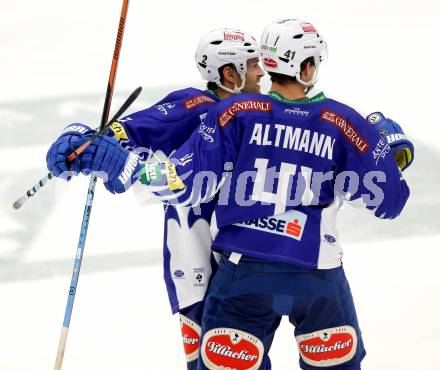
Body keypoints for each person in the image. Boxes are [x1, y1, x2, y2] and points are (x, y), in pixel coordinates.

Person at [136, 19, 413, 369]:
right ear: (308, 67)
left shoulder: (234, 113)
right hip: (317, 277)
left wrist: (128, 165)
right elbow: (390, 202)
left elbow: (180, 181)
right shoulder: (344, 122)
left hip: (243, 275)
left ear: (268, 64)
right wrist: (389, 156)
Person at [45, 28, 264, 369]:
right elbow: (137, 130)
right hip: (201, 271)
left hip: (250, 261)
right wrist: (86, 142)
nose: (261, 71)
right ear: (228, 73)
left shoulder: (258, 114)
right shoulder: (198, 107)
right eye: (252, 65)